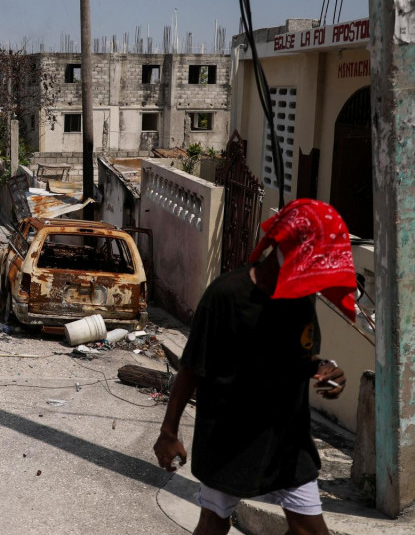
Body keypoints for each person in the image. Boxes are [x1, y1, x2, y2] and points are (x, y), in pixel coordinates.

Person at [153, 199, 356, 535]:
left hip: (288, 440)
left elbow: (303, 357)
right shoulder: (225, 296)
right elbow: (191, 367)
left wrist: (326, 369)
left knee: (311, 532)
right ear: (281, 246)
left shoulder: (301, 297)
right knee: (214, 523)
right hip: (229, 439)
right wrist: (168, 432)